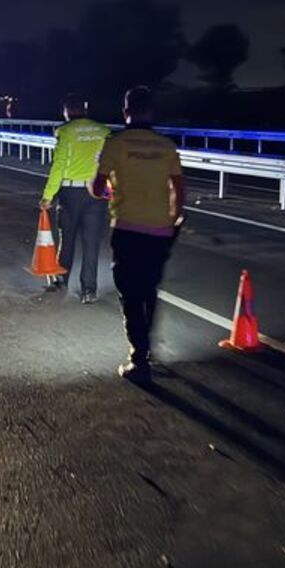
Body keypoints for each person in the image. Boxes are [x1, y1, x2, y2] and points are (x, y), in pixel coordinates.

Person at [90, 86, 186, 383]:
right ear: (151, 111)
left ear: (125, 111)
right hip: (160, 229)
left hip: (128, 228)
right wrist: (173, 219)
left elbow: (96, 188)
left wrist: (107, 189)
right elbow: (179, 191)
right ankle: (147, 348)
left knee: (130, 294)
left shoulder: (115, 144)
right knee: (149, 289)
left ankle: (138, 358)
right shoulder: (167, 146)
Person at [40, 94, 111, 302]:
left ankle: (61, 281)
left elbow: (59, 167)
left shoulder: (65, 132)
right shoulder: (103, 131)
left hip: (71, 193)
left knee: (67, 239)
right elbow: (109, 166)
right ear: (85, 109)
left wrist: (48, 196)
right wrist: (109, 195)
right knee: (91, 243)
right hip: (97, 193)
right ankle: (89, 290)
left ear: (66, 111)